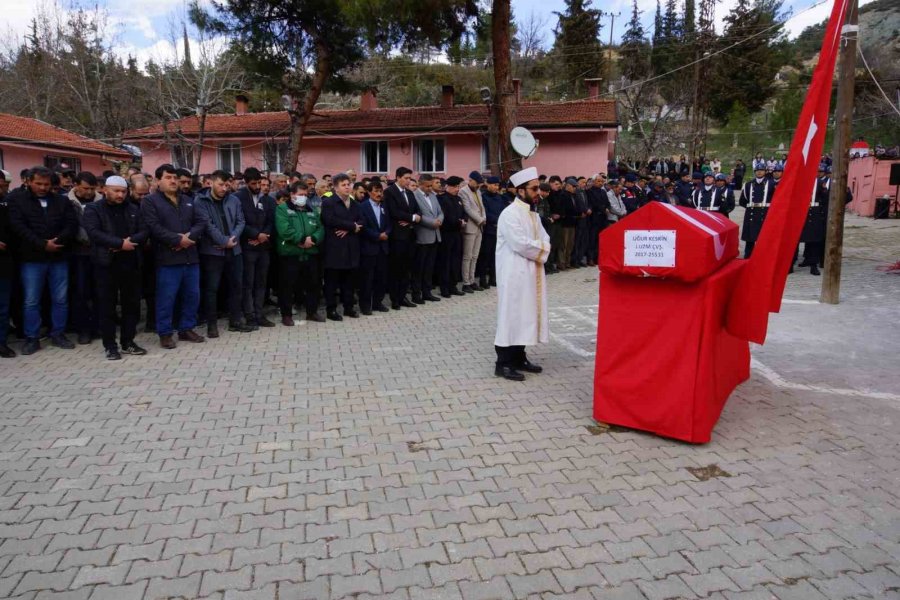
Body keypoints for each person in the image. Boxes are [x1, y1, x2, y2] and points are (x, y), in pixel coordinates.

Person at [7, 166, 78, 354]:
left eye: (46, 184)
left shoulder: (61, 201)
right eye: (38, 183)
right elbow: (18, 227)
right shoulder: (17, 201)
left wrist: (58, 241)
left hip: (58, 256)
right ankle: (32, 337)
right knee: (31, 300)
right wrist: (42, 244)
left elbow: (71, 224)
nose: (42, 187)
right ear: (29, 181)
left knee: (60, 299)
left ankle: (58, 333)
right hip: (32, 258)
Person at [82, 176, 149, 360]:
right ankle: (110, 346)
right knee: (107, 306)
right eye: (116, 191)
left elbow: (144, 231)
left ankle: (128, 341)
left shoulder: (133, 209)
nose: (120, 195)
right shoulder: (93, 209)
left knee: (131, 305)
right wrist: (119, 243)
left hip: (131, 263)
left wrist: (129, 243)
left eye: (123, 191)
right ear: (105, 190)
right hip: (105, 264)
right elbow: (93, 232)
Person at [142, 163, 208, 349]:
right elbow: (153, 227)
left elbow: (201, 221)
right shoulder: (150, 201)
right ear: (158, 181)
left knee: (192, 295)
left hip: (190, 257)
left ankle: (186, 328)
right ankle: (165, 332)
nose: (173, 181)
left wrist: (189, 237)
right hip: (167, 258)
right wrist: (177, 240)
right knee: (167, 298)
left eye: (175, 178)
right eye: (168, 178)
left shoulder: (188, 200)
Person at [494, 166, 550, 381]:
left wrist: (542, 246)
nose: (538, 192)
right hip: (514, 274)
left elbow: (545, 238)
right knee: (511, 315)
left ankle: (519, 358)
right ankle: (502, 363)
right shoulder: (509, 214)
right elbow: (520, 244)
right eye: (534, 188)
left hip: (531, 271)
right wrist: (542, 248)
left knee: (526, 314)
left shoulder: (533, 214)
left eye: (538, 188)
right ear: (520, 190)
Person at [195, 170, 250, 338]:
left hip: (234, 250)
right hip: (212, 252)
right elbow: (207, 225)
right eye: (220, 184)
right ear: (211, 182)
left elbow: (241, 221)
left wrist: (232, 238)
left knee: (236, 286)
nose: (224, 188)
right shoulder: (200, 201)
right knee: (212, 289)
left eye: (227, 185)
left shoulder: (234, 200)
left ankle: (236, 321)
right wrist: (223, 241)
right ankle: (212, 325)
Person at [275, 184, 324, 325]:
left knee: (313, 285)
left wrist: (313, 239)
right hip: (291, 253)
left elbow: (320, 228)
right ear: (292, 195)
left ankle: (312, 312)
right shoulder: (282, 209)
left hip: (310, 252)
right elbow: (284, 229)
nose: (303, 197)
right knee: (287, 286)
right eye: (300, 194)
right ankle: (286, 315)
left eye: (305, 195)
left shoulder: (311, 209)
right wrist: (302, 239)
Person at [235, 168, 276, 330]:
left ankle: (259, 314)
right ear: (246, 183)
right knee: (248, 283)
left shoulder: (267, 199)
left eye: (259, 183)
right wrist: (255, 235)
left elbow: (271, 221)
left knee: (261, 282)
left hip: (263, 246)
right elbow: (239, 221)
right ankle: (249, 315)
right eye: (254, 184)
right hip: (248, 247)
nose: (258, 186)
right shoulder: (238, 198)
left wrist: (264, 235)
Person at [320, 173, 362, 321]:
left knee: (349, 280)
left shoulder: (354, 203)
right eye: (343, 185)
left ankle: (348, 307)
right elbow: (329, 220)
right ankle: (331, 310)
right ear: (336, 187)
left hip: (351, 247)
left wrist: (349, 229)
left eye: (348, 184)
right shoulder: (329, 202)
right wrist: (351, 226)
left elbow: (362, 220)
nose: (347, 187)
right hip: (335, 248)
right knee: (332, 281)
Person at [67, 171, 103, 345]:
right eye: (85, 188)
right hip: (77, 253)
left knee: (99, 292)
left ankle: (98, 326)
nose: (89, 192)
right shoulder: (67, 202)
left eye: (92, 188)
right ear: (75, 186)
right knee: (81, 293)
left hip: (98, 252)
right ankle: (83, 329)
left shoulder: (101, 202)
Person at [383, 166, 421, 309]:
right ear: (398, 177)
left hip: (410, 235)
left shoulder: (410, 193)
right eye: (406, 178)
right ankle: (395, 299)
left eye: (410, 178)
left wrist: (412, 219)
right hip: (397, 236)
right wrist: (412, 217)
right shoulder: (389, 192)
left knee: (406, 268)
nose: (408, 181)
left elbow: (418, 211)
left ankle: (403, 296)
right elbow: (394, 212)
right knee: (396, 268)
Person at [357, 180, 391, 315]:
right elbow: (363, 227)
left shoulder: (384, 206)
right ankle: (365, 305)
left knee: (381, 277)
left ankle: (378, 302)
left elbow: (389, 223)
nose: (379, 194)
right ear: (369, 192)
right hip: (369, 248)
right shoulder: (362, 207)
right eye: (376, 191)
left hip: (383, 248)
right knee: (367, 279)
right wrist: (377, 236)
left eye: (380, 191)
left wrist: (386, 233)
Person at [412, 174, 443, 303]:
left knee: (429, 267)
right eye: (428, 186)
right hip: (422, 236)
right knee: (419, 267)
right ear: (420, 184)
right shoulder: (414, 196)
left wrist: (439, 220)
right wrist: (432, 222)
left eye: (431, 185)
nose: (430, 188)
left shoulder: (433, 196)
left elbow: (440, 212)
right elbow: (417, 214)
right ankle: (416, 294)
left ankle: (427, 292)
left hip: (435, 235)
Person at [437, 176, 466, 297]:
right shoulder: (442, 199)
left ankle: (453, 285)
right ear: (448, 186)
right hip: (447, 234)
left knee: (455, 260)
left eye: (458, 187)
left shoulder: (458, 199)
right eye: (455, 187)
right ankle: (444, 288)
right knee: (446, 261)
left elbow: (463, 213)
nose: (457, 189)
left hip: (457, 234)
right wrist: (459, 222)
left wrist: (464, 220)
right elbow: (446, 217)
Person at [799, 164, 831, 276]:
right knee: (800, 239)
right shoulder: (800, 182)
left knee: (814, 240)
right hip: (801, 213)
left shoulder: (819, 182)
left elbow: (825, 198)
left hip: (814, 213)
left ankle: (813, 265)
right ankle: (803, 261)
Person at [739, 164, 774, 258]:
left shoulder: (771, 184)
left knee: (764, 237)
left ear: (765, 172)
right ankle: (748, 256)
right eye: (757, 170)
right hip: (751, 213)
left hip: (765, 213)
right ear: (754, 172)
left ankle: (763, 256)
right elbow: (742, 201)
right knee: (750, 237)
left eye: (761, 170)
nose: (759, 172)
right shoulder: (748, 184)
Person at [459, 171, 486, 292]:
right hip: (470, 227)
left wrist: (484, 218)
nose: (479, 185)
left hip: (479, 227)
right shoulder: (463, 191)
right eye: (477, 183)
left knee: (475, 256)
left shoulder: (478, 191)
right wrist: (480, 220)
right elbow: (467, 209)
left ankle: (472, 280)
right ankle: (466, 283)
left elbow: (481, 207)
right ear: (471, 181)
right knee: (467, 256)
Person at [478, 176, 505, 286]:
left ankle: (493, 278)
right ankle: (482, 279)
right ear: (488, 184)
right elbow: (485, 212)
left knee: (496, 255)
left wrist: (501, 220)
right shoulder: (483, 197)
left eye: (497, 185)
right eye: (494, 185)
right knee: (485, 255)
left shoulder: (499, 197)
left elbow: (503, 211)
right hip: (488, 230)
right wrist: (496, 220)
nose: (496, 187)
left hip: (498, 230)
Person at [0, 171, 15, 357]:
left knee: (3, 308)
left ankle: (2, 342)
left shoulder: (8, 204)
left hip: (4, 263)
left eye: (2, 186)